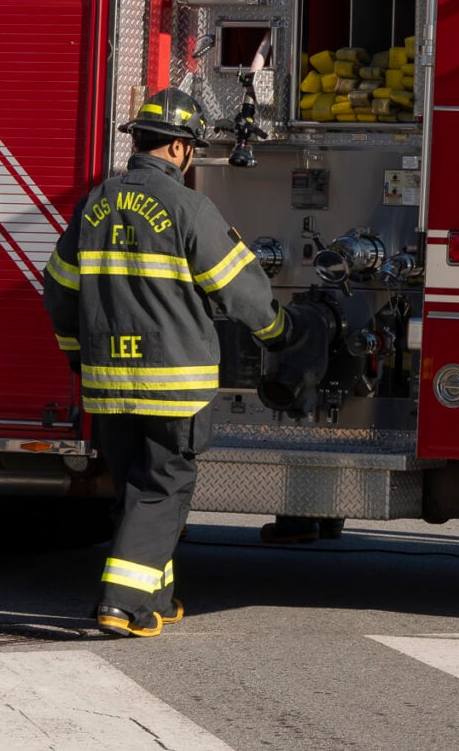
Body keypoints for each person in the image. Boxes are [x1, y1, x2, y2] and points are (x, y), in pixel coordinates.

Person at [41, 86, 306, 637]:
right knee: (163, 488)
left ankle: (154, 600)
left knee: (135, 489)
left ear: (138, 141)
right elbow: (239, 289)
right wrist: (280, 332)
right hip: (173, 383)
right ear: (182, 149)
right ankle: (121, 604)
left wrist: (76, 355)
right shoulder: (189, 208)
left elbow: (59, 290)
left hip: (108, 383)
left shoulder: (95, 202)